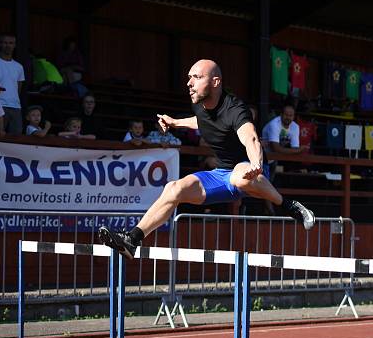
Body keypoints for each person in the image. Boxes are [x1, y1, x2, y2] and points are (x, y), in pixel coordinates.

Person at [98, 59, 315, 259]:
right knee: (174, 188)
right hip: (221, 175)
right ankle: (132, 240)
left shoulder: (235, 109)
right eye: (189, 77)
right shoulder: (200, 104)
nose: (189, 83)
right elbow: (201, 121)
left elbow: (251, 138)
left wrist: (256, 164)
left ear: (215, 82)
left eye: (197, 77)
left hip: (249, 170)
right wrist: (175, 122)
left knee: (240, 177)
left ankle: (290, 206)